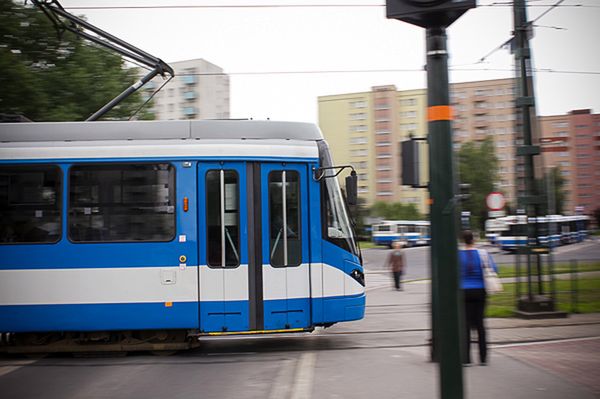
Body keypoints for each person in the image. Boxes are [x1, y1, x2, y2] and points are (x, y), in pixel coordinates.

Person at [459, 230, 498, 366]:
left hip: (463, 291)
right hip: (480, 290)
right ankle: (483, 357)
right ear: (474, 239)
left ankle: (466, 358)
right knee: (480, 323)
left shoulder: (458, 255)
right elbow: (494, 269)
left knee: (466, 324)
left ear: (463, 240)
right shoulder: (483, 254)